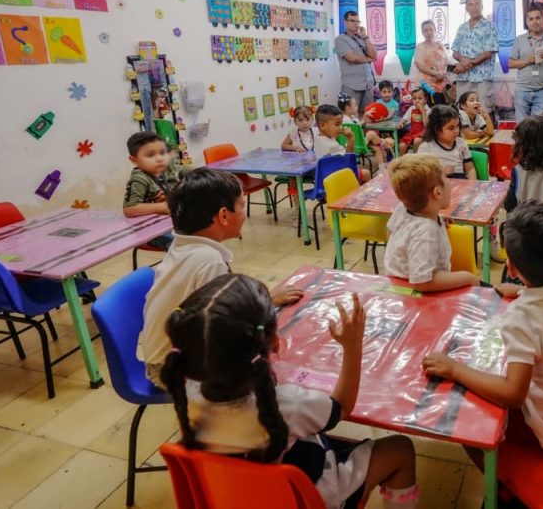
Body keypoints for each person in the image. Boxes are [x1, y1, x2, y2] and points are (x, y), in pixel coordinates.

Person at [161, 275, 419, 509]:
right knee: (401, 448)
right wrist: (353, 347)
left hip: (232, 497)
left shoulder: (188, 394)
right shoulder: (289, 405)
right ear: (274, 342)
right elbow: (343, 406)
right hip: (307, 498)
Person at [423, 202, 543, 455]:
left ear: (511, 268)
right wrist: (523, 292)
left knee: (465, 422)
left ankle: (502, 491)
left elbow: (513, 395)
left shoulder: (523, 318)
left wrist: (455, 369)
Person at [139, 168, 303, 387]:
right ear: (224, 216)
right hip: (170, 369)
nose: (244, 213)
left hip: (162, 356)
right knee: (279, 366)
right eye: (242, 206)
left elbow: (223, 306)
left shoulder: (184, 245)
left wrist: (267, 301)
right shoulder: (208, 261)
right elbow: (223, 333)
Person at [384, 155, 479, 291]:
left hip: (398, 288)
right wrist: (468, 277)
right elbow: (422, 282)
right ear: (438, 192)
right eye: (446, 178)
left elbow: (390, 234)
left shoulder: (403, 207)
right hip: (421, 296)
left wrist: (436, 216)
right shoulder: (426, 230)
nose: (449, 182)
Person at [510, 5, 543, 121]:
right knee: (522, 127)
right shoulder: (519, 39)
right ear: (527, 22)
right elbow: (510, 63)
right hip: (522, 90)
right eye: (531, 19)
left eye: (537, 18)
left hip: (542, 91)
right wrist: (527, 61)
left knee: (538, 128)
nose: (535, 22)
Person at [122, 131, 188, 219]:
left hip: (173, 218)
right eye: (150, 155)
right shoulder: (140, 178)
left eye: (162, 153)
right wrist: (165, 207)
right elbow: (129, 209)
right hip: (153, 226)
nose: (159, 158)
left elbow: (188, 171)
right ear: (134, 160)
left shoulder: (167, 167)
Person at [451, 0, 498, 116]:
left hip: (482, 78)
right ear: (466, 8)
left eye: (477, 4)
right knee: (462, 112)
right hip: (463, 78)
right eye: (470, 4)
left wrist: (467, 65)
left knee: (482, 111)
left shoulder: (490, 26)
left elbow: (488, 53)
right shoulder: (462, 28)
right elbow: (455, 52)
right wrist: (462, 60)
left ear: (482, 6)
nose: (474, 7)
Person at [417, 105, 475, 180]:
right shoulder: (426, 147)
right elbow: (421, 174)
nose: (456, 131)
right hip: (438, 185)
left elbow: (470, 169)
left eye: (457, 126)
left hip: (460, 185)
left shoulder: (461, 143)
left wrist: (472, 186)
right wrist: (442, 173)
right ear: (436, 129)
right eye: (451, 128)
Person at [315, 104, 371, 182]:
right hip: (339, 179)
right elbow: (349, 161)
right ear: (322, 125)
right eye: (337, 124)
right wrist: (351, 139)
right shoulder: (331, 145)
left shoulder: (317, 138)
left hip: (325, 179)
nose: (341, 127)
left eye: (341, 124)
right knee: (366, 173)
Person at [334, 11, 377, 111]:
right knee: (349, 116)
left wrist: (365, 37)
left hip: (368, 84)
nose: (356, 24)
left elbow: (374, 55)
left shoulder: (362, 38)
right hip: (351, 85)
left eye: (358, 21)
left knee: (369, 114)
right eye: (352, 21)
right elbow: (352, 58)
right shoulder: (340, 39)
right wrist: (369, 59)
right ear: (345, 22)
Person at [339, 94, 393, 167]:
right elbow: (358, 127)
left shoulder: (351, 117)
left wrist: (365, 116)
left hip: (358, 142)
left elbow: (360, 126)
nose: (357, 107)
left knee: (377, 148)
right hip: (354, 145)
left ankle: (382, 168)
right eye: (355, 105)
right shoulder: (345, 121)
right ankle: (384, 142)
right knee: (371, 133)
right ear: (348, 108)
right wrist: (364, 117)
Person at [412, 20, 449, 104]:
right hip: (425, 84)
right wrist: (435, 73)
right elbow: (420, 65)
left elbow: (447, 64)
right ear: (422, 32)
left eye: (431, 29)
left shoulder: (441, 46)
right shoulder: (420, 46)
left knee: (440, 111)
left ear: (435, 30)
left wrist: (442, 74)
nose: (429, 32)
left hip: (440, 83)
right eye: (426, 30)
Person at [398, 86, 429, 154]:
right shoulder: (411, 108)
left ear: (425, 99)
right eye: (414, 99)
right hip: (412, 132)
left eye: (420, 98)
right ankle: (403, 162)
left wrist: (423, 111)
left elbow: (427, 125)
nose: (417, 101)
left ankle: (415, 158)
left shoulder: (427, 109)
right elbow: (404, 118)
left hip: (423, 133)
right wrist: (401, 123)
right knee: (401, 146)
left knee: (417, 141)